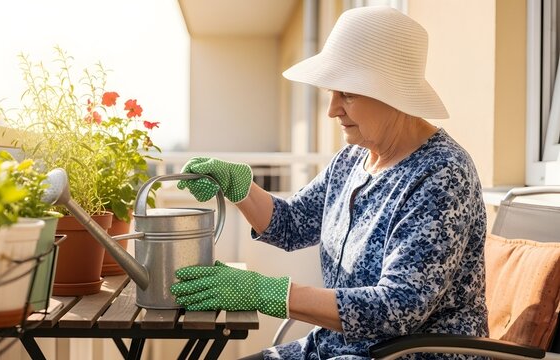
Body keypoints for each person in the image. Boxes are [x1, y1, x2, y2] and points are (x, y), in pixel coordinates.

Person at [170, 6, 488, 360]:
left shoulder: (442, 174)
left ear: (393, 95)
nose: (332, 110)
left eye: (347, 94)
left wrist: (267, 293)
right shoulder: (353, 159)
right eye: (331, 94)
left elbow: (398, 307)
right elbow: (292, 224)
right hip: (332, 348)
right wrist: (241, 189)